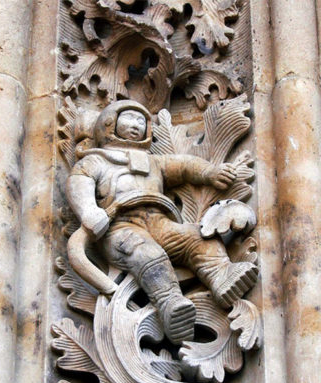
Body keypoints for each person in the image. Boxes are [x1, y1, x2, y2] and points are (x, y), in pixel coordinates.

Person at [66, 100, 258, 345]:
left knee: (196, 237)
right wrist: (89, 212)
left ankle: (221, 276)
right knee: (147, 253)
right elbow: (79, 182)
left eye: (140, 121)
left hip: (160, 221)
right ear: (109, 124)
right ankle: (170, 304)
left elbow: (185, 166)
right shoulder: (95, 161)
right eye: (128, 119)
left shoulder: (153, 161)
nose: (136, 125)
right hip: (121, 227)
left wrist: (210, 173)